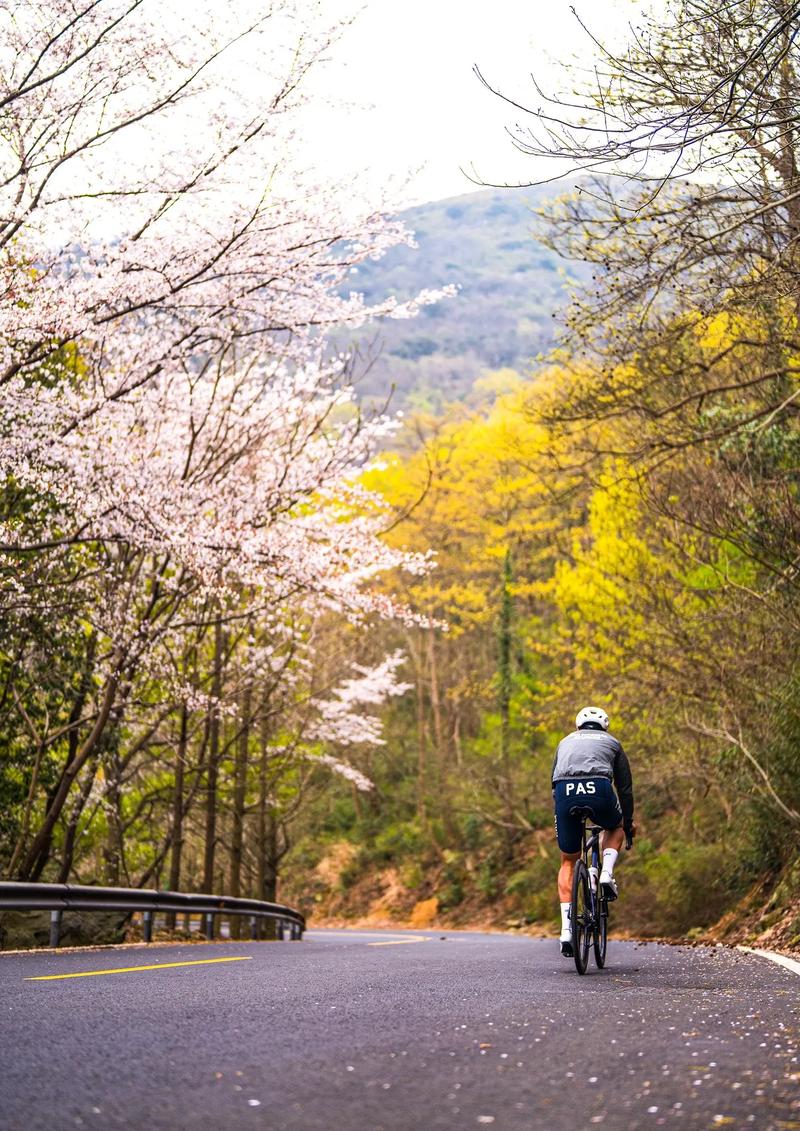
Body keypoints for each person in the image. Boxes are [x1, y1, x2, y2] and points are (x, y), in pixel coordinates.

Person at [551, 706, 635, 956]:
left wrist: (564, 812)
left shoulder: (564, 741)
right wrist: (628, 823)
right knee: (615, 826)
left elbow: (553, 783)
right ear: (605, 726)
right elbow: (625, 788)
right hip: (599, 787)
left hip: (565, 793)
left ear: (578, 725)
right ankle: (606, 873)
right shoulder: (612, 742)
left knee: (568, 861)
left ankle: (567, 929)